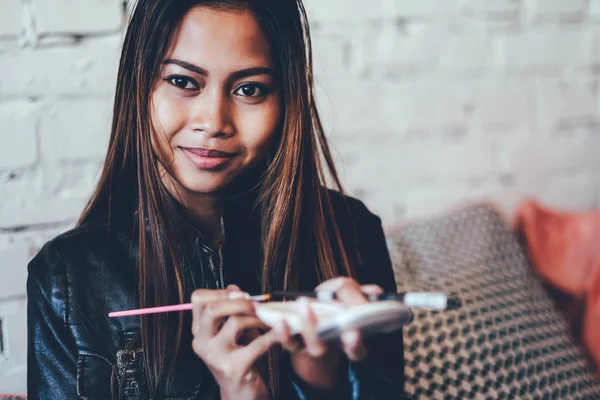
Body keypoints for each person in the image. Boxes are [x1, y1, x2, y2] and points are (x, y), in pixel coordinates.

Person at [26, 0, 406, 399]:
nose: (213, 122)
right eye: (183, 82)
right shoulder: (65, 281)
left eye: (249, 89)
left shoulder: (351, 234)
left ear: (286, 100)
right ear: (139, 85)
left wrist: (321, 383)